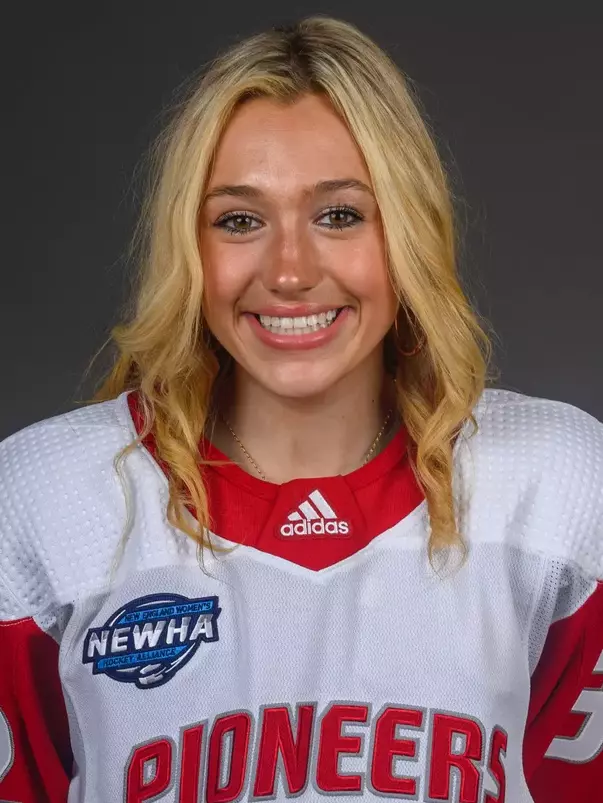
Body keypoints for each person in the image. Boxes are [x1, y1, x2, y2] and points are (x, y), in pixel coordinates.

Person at [0, 15, 601, 803]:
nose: (289, 271)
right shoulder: (47, 497)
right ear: (188, 247)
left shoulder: (555, 487)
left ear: (408, 231)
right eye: (239, 220)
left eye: (339, 214)